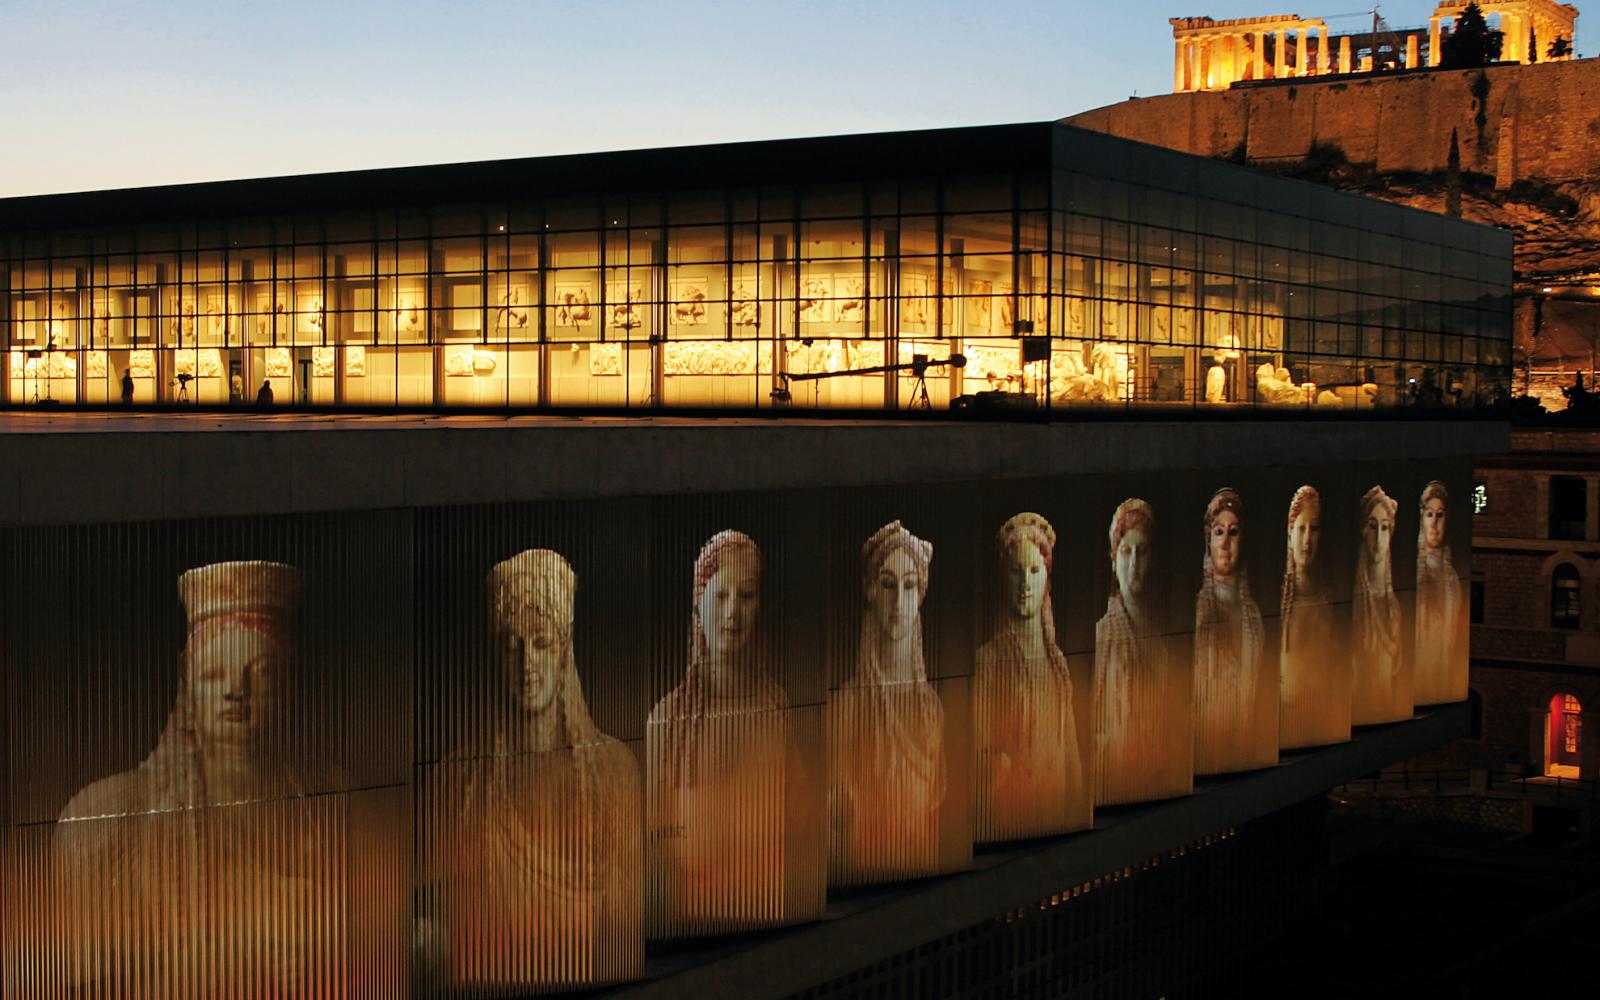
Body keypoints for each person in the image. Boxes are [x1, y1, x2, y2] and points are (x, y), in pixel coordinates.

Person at [52, 561, 342, 994]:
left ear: (287, 681)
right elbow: (95, 982)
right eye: (213, 674)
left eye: (259, 671)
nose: (235, 690)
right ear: (188, 684)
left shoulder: (332, 797)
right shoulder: (104, 816)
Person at [421, 550, 642, 993]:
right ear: (494, 653)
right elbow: (442, 931)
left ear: (564, 650)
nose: (526, 663)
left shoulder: (615, 771)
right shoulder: (456, 781)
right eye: (511, 645)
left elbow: (626, 931)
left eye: (541, 642)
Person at [647, 531, 822, 936]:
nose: (733, 613)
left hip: (766, 919)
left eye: (746, 595)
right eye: (721, 595)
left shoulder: (776, 708)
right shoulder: (670, 719)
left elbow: (799, 821)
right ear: (699, 601)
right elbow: (651, 841)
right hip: (689, 929)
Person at [829, 520, 949, 885]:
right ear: (870, 591)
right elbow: (836, 819)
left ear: (921, 594)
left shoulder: (932, 708)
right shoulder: (847, 706)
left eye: (910, 586)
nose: (899, 602)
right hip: (863, 882)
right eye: (887, 585)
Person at [974, 513, 1087, 842]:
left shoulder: (1058, 663)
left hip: (1058, 826)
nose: (1025, 583)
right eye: (1016, 571)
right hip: (1011, 828)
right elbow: (977, 760)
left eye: (1034, 571)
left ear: (1046, 579)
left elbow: (1071, 758)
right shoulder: (988, 662)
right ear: (1003, 578)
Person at [1094, 498, 1192, 804]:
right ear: (1113, 560)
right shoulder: (1101, 637)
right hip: (1116, 783)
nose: (1133, 564)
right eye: (1125, 552)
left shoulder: (1168, 637)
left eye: (1142, 551)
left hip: (1166, 781)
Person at [1193, 487, 1273, 775]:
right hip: (1205, 752)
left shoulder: (1253, 616)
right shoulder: (1197, 615)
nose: (1225, 543)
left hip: (1245, 749)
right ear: (1209, 540)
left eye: (1233, 532)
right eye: (1218, 533)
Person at [1279, 486, 1349, 749]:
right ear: (1290, 532)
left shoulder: (1327, 600)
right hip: (1285, 719)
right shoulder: (1280, 602)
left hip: (1322, 716)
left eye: (1314, 529)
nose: (1307, 540)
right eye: (1301, 529)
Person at [1353, 485, 1407, 724]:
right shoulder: (1352, 601)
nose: (1379, 537)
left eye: (1385, 528)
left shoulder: (1394, 606)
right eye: (1373, 527)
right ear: (1364, 531)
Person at [1414, 481, 1466, 704]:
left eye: (1440, 515)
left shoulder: (1453, 578)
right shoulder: (1411, 571)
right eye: (1429, 515)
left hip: (1441, 674)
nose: (1434, 523)